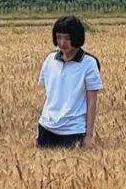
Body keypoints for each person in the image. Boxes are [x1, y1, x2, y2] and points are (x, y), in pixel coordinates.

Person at [37, 16, 102, 148]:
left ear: (77, 37)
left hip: (73, 130)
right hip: (46, 127)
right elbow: (50, 95)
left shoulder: (89, 63)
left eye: (67, 38)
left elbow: (92, 101)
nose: (62, 43)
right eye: (58, 37)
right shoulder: (49, 60)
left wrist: (89, 136)